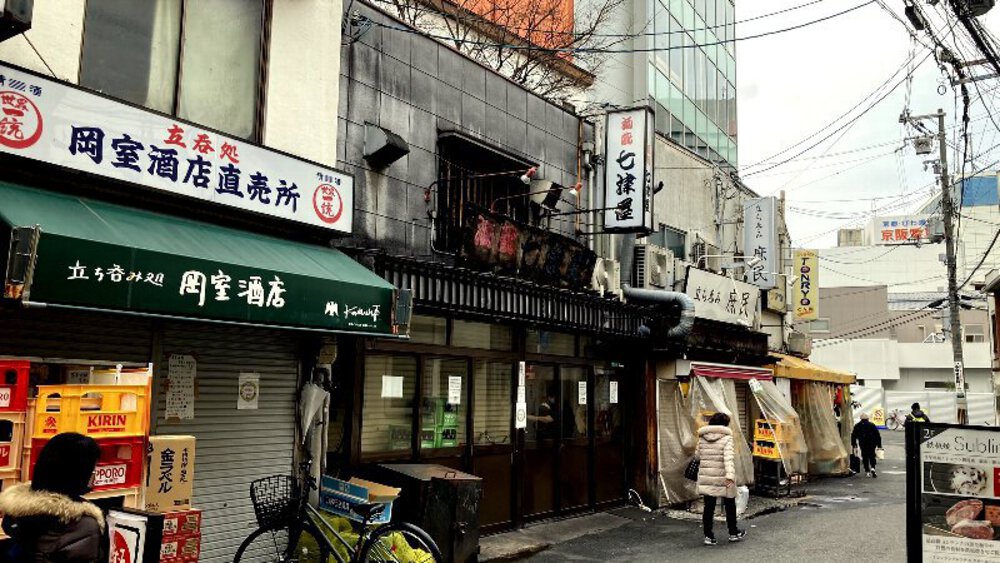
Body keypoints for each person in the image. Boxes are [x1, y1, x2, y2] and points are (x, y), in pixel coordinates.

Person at [0, 433, 104, 562]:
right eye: (93, 468)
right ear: (80, 473)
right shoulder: (84, 525)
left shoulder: (17, 514)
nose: (95, 473)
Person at [696, 412, 747, 546]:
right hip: (724, 477)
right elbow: (728, 458)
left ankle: (708, 536)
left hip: (707, 477)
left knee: (709, 507)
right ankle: (733, 533)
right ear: (725, 424)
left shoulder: (702, 437)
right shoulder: (727, 438)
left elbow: (697, 457)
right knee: (730, 505)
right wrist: (730, 476)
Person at [851, 412, 883, 478]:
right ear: (868, 418)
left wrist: (854, 444)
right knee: (872, 455)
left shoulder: (857, 426)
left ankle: (867, 471)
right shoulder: (872, 425)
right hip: (872, 443)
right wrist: (879, 445)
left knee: (864, 456)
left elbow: (853, 436)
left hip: (863, 443)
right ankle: (873, 468)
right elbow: (877, 435)